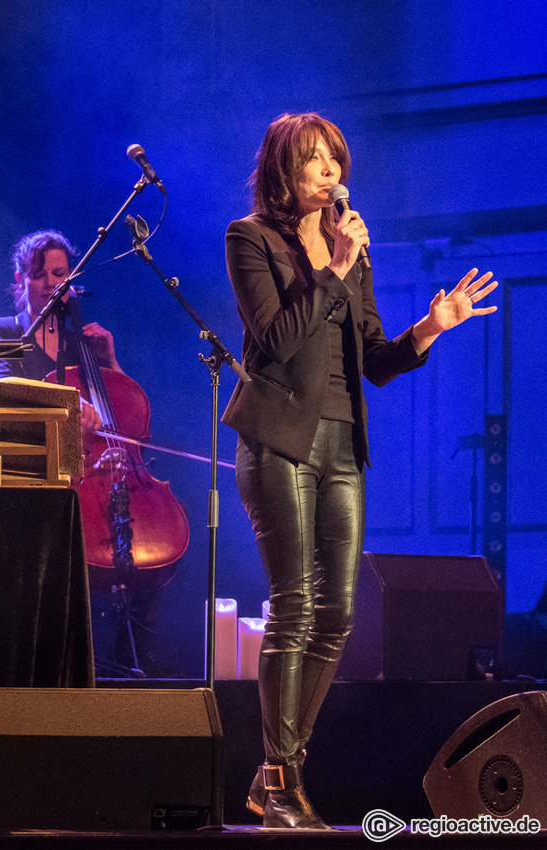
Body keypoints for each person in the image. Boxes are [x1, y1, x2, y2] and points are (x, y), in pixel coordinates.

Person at [221, 113, 498, 830]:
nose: (328, 171)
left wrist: (428, 330)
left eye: (333, 159)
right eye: (313, 160)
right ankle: (280, 782)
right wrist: (333, 269)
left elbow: (374, 359)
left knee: (338, 614)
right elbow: (277, 342)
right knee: (295, 603)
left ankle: (278, 771)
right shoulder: (250, 238)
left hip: (343, 443)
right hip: (278, 437)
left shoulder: (355, 249)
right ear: (284, 168)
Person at [0, 229, 122, 431]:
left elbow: (124, 407)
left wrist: (110, 362)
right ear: (21, 279)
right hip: (28, 452)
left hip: (86, 458)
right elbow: (1, 385)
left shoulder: (79, 344)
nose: (51, 284)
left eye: (59, 274)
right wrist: (67, 402)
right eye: (38, 275)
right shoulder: (3, 330)